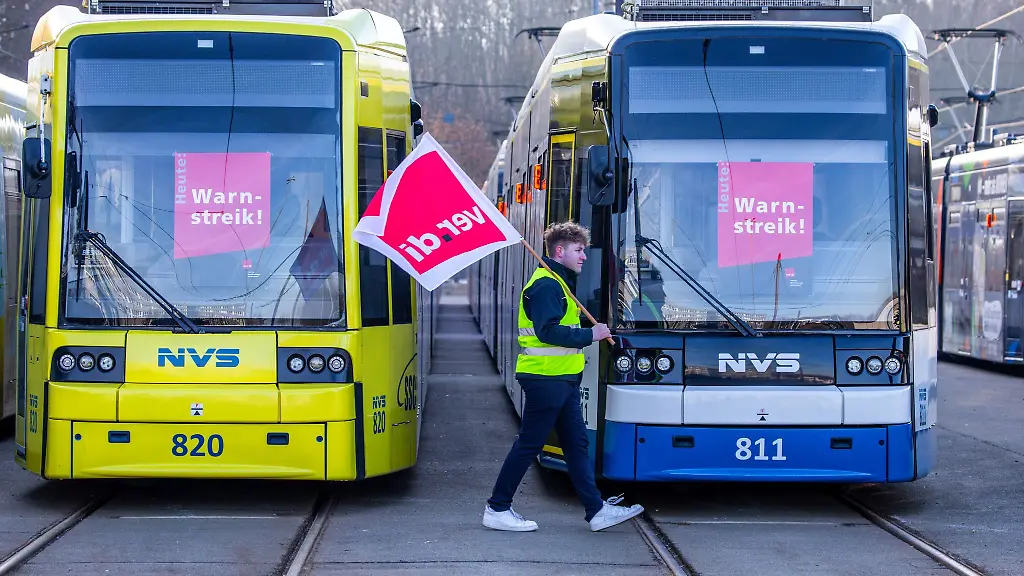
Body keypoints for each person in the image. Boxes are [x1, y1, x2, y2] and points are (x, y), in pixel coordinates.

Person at [483, 221, 644, 532]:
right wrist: (590, 334)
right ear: (560, 251)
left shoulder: (559, 284)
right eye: (578, 250)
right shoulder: (547, 285)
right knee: (530, 444)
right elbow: (548, 332)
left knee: (576, 444)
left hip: (563, 379)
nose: (584, 256)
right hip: (546, 379)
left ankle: (596, 511)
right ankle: (497, 507)